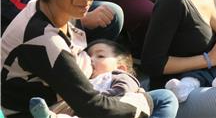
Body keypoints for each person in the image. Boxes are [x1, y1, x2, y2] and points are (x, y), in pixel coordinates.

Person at [1, 0, 178, 118]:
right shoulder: (43, 39)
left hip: (62, 102)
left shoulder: (53, 10)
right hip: (38, 112)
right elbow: (93, 107)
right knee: (160, 99)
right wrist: (141, 102)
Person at [30, 39, 178, 118]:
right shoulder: (82, 81)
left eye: (100, 55)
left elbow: (124, 92)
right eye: (88, 56)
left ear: (121, 68)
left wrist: (97, 100)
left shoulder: (117, 75)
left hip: (114, 109)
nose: (91, 59)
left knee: (165, 96)